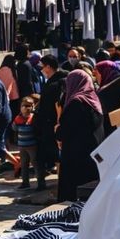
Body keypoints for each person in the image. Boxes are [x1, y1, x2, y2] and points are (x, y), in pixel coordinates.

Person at [55, 70, 104, 201]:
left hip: (75, 156)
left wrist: (57, 130)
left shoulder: (76, 103)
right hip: (92, 153)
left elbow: (65, 131)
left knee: (72, 196)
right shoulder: (93, 99)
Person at [35, 55, 66, 189]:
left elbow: (56, 106)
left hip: (52, 124)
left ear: (48, 67)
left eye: (42, 66)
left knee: (57, 156)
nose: (41, 69)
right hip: (53, 124)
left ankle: (61, 184)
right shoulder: (60, 80)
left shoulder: (55, 84)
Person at [12, 96, 43, 189]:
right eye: (24, 106)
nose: (26, 108)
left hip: (32, 145)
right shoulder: (18, 118)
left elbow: (37, 129)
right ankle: (25, 182)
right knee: (24, 164)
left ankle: (41, 183)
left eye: (29, 106)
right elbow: (14, 128)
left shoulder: (33, 118)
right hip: (22, 145)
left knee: (35, 163)